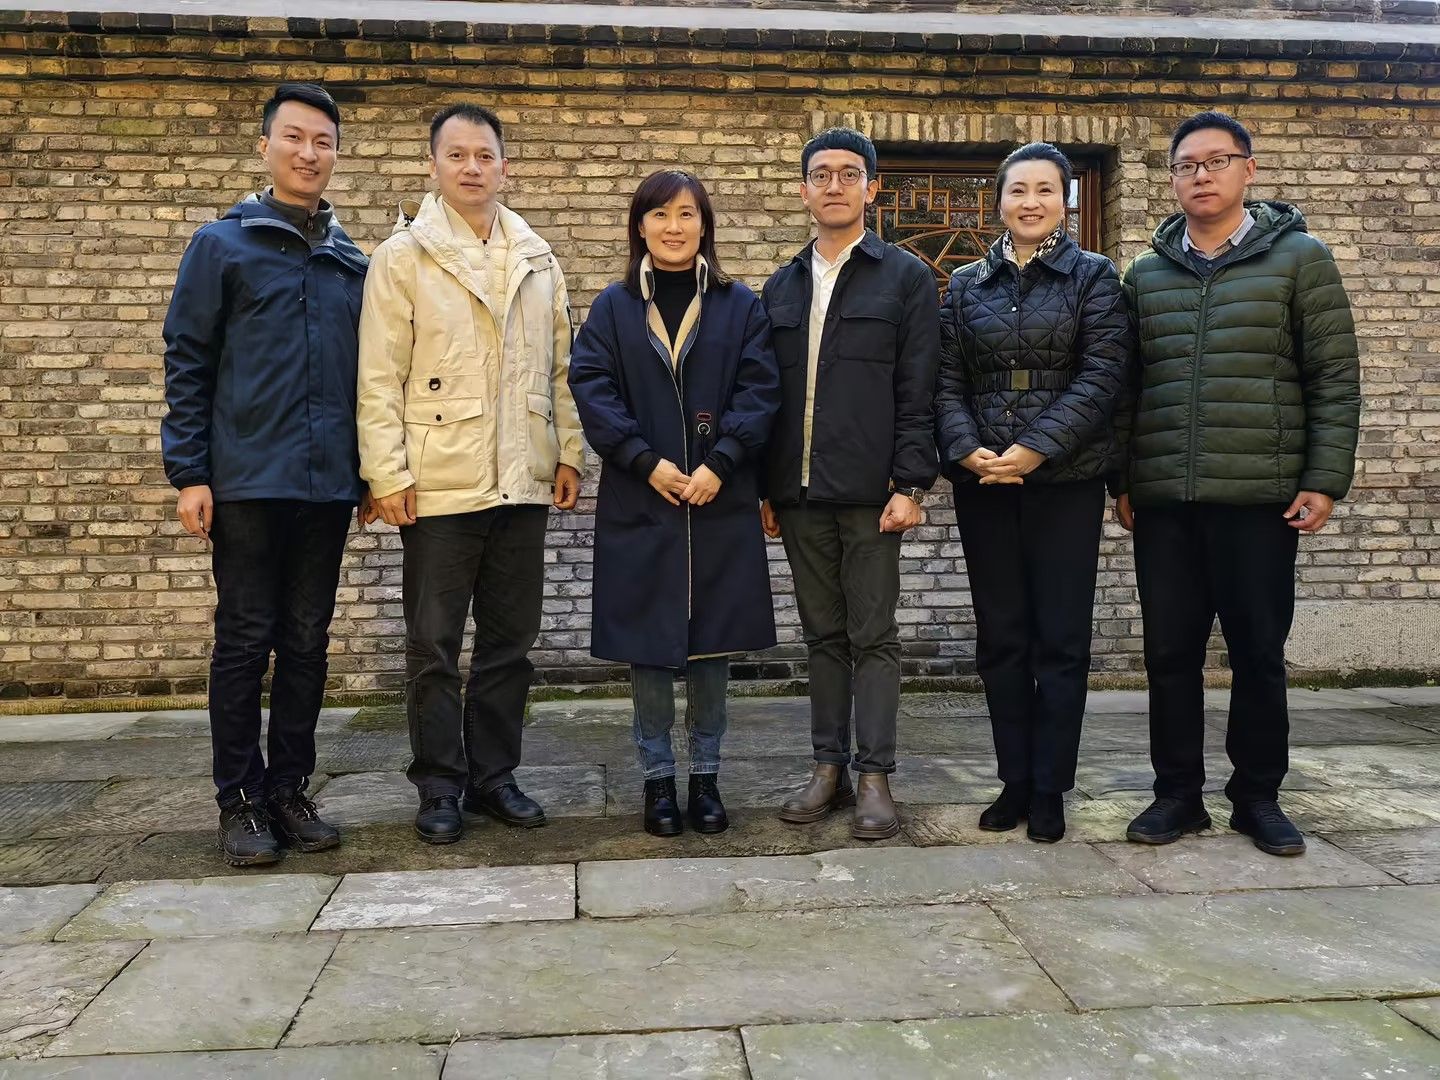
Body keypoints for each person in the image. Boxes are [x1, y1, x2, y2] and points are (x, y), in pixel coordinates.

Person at [1115, 111, 1361, 856]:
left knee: (1256, 653)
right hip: (1164, 500)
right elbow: (1126, 387)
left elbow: (1334, 377)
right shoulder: (1145, 273)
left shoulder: (1300, 259)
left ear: (1248, 170)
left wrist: (1325, 479)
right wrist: (1122, 480)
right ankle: (1177, 795)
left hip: (1260, 496)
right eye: (1186, 165)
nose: (1201, 175)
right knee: (1169, 656)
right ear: (1172, 179)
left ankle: (1257, 797)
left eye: (1216, 161)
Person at [356, 103, 585, 844]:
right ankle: (438, 784)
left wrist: (569, 452)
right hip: (438, 481)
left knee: (509, 644)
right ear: (433, 166)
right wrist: (386, 474)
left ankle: (494, 776)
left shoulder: (537, 258)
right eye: (456, 155)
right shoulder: (403, 257)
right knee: (433, 644)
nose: (471, 167)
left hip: (522, 479)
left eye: (484, 155)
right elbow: (378, 376)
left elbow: (562, 368)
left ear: (504, 167)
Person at [161, 83, 369, 866]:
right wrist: (190, 472)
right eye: (295, 137)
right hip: (246, 481)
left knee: (308, 641)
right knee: (245, 640)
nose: (309, 153)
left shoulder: (350, 262)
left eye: (323, 142)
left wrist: (370, 472)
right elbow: (188, 359)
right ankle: (239, 801)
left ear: (336, 154)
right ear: (265, 146)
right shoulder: (221, 246)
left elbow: (369, 377)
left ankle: (288, 789)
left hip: (327, 484)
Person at [569, 170, 780, 836]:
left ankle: (706, 778)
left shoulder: (738, 306)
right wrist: (644, 461)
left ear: (705, 224)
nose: (673, 227)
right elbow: (592, 387)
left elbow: (760, 391)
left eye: (687, 214)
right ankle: (657, 780)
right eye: (659, 214)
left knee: (712, 646)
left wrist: (722, 462)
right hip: (642, 498)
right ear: (640, 226)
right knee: (650, 647)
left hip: (720, 497)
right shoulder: (614, 307)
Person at [936, 142, 1132, 843]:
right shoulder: (966, 284)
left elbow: (1102, 376)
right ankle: (1013, 780)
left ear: (1066, 202)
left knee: (1061, 641)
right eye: (1018, 190)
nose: (1031, 202)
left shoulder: (1094, 277)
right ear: (998, 202)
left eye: (1046, 189)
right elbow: (946, 379)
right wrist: (967, 450)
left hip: (1064, 483)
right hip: (985, 482)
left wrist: (1036, 448)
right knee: (1003, 639)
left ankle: (1051, 787)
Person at [761, 127, 941, 840]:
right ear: (803, 190)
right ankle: (827, 768)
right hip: (798, 495)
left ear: (872, 188)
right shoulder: (781, 285)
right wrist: (768, 488)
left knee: (873, 636)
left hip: (872, 495)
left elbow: (919, 388)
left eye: (848, 173)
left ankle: (875, 777)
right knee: (822, 637)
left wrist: (911, 484)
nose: (833, 186)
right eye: (820, 174)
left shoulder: (906, 278)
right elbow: (767, 396)